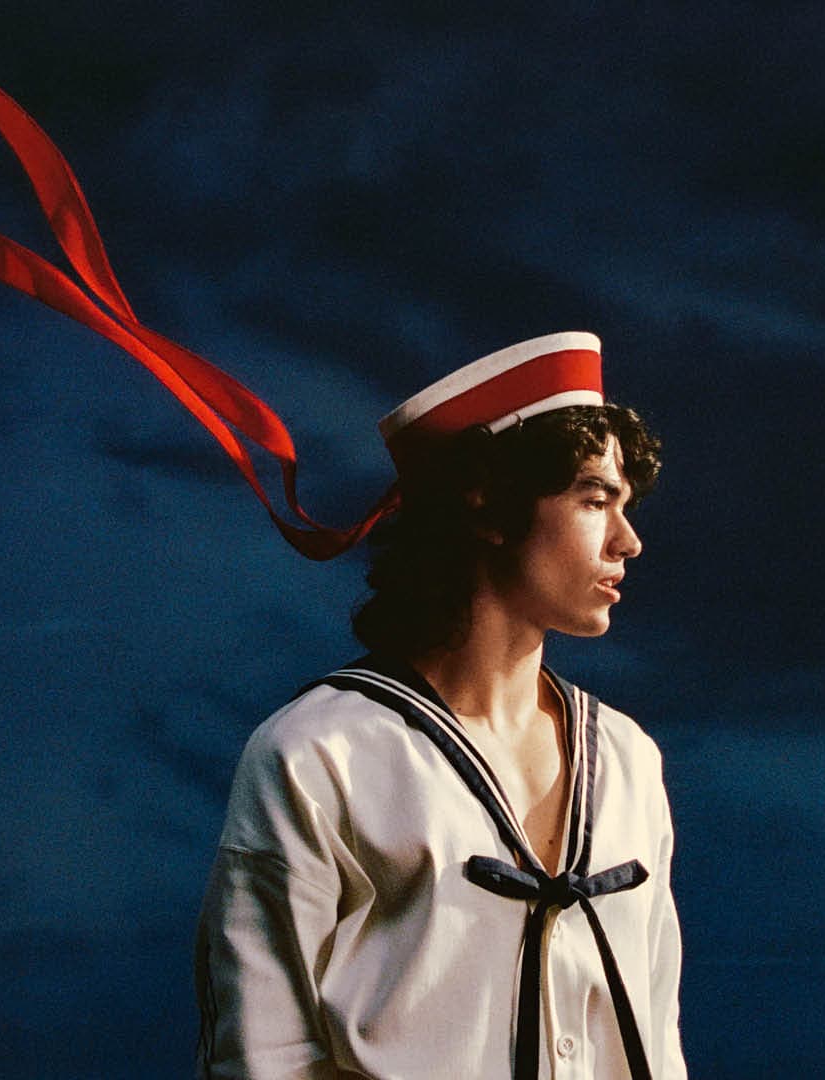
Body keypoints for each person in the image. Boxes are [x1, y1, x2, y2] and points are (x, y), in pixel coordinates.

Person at [195, 333, 685, 1079]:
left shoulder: (627, 760)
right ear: (488, 504)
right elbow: (262, 1056)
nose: (628, 541)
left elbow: (655, 1037)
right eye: (594, 500)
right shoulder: (317, 757)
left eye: (625, 504)